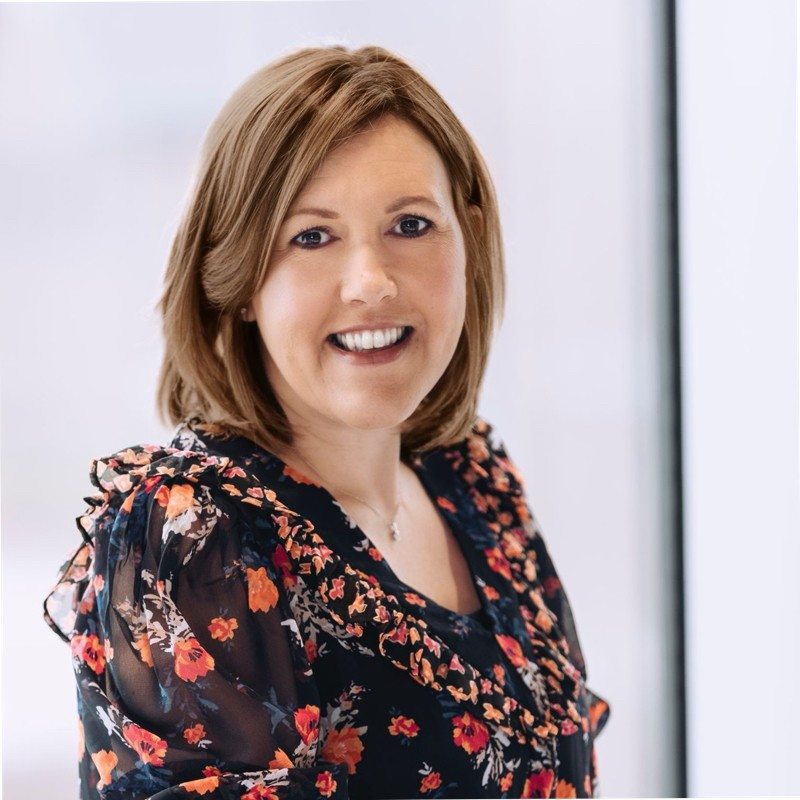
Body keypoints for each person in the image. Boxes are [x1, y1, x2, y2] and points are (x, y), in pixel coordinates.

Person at [43, 45, 610, 799]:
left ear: (466, 240)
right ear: (241, 277)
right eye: (312, 237)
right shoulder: (194, 537)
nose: (372, 281)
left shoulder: (475, 486)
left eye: (411, 224)